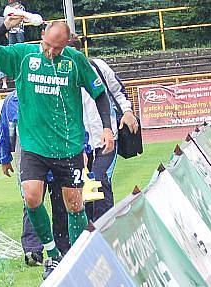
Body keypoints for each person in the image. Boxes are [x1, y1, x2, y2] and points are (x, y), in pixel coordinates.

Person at [0, 18, 114, 279]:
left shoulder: (75, 61)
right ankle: (51, 254)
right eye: (48, 45)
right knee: (31, 196)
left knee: (74, 205)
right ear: (42, 36)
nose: (50, 52)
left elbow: (99, 93)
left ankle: (77, 254)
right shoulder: (24, 55)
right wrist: (5, 28)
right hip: (33, 146)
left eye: (57, 48)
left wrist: (107, 127)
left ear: (66, 45)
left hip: (68, 145)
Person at [68, 36, 139, 221]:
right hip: (78, 143)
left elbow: (118, 91)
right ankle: (89, 229)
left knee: (99, 179)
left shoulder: (98, 67)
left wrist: (127, 112)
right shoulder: (59, 75)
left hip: (106, 138)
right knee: (84, 187)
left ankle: (106, 228)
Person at [0, 91, 70, 266]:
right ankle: (33, 250)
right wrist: (4, 157)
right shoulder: (12, 100)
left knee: (61, 202)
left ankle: (63, 247)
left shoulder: (54, 92)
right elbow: (5, 130)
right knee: (31, 204)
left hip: (57, 154)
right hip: (29, 159)